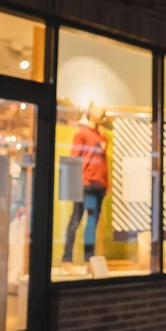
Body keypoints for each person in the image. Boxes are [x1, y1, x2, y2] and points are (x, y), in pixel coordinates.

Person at [62, 104, 108, 267]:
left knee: (92, 222)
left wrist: (106, 184)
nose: (102, 113)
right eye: (98, 111)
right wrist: (72, 186)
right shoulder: (81, 134)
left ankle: (89, 259)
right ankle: (67, 258)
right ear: (90, 113)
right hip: (85, 184)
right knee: (77, 220)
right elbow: (74, 159)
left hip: (98, 186)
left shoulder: (102, 137)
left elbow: (104, 163)